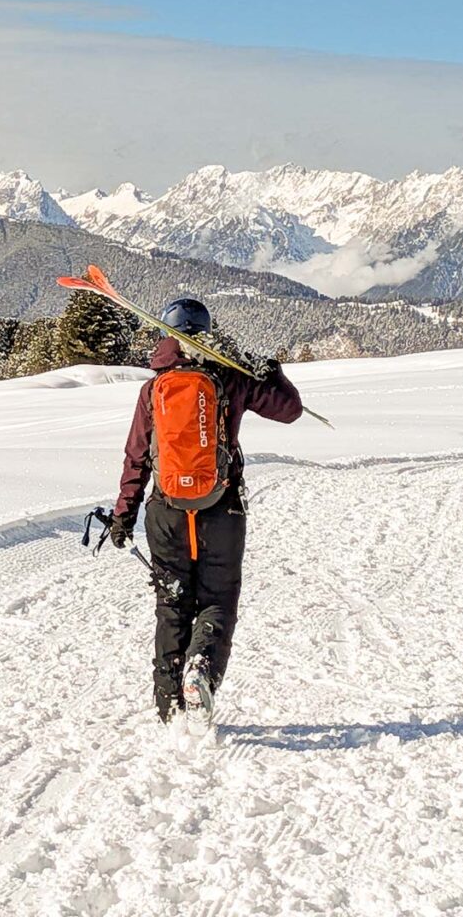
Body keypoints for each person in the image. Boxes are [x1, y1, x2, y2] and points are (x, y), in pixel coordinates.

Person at [110, 297, 303, 727]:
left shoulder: (152, 390)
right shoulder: (231, 377)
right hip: (221, 508)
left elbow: (136, 458)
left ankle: (169, 708)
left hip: (166, 513)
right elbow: (289, 410)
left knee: (172, 604)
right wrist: (269, 370)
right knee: (217, 601)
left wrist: (124, 514)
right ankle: (202, 669)